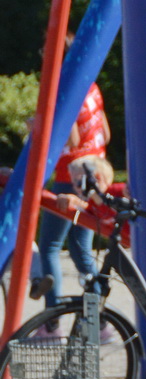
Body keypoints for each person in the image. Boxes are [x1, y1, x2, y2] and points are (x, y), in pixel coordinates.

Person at [33, 42, 110, 308]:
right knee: (80, 248)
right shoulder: (92, 87)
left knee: (50, 248)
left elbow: (72, 138)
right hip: (97, 171)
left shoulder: (64, 87)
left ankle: (52, 324)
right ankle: (99, 317)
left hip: (71, 175)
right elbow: (106, 134)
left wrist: (38, 125)